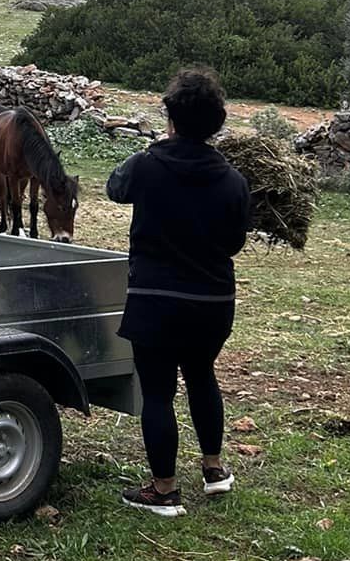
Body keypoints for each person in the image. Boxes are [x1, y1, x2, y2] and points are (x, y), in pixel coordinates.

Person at [105, 66, 252, 513]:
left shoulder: (148, 165)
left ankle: (164, 490)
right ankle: (214, 469)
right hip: (213, 303)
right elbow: (235, 243)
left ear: (170, 117)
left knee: (158, 393)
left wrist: (152, 148)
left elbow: (115, 188)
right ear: (216, 124)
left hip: (156, 301)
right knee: (202, 376)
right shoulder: (234, 180)